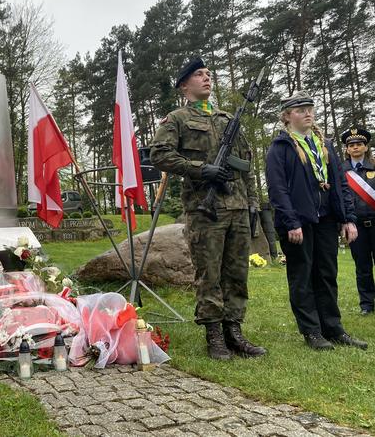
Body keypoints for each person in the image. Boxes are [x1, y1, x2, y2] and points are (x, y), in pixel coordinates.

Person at [150, 57, 266, 360]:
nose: (206, 78)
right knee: (209, 274)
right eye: (199, 74)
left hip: (238, 207)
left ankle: (234, 332)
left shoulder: (229, 119)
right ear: (184, 84)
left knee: (237, 273)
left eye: (208, 74)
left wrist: (252, 203)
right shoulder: (176, 118)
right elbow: (159, 155)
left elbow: (245, 165)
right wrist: (201, 170)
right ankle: (214, 334)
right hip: (206, 210)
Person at [265, 92, 367, 350]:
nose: (308, 113)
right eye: (300, 110)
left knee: (327, 273)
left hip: (326, 219)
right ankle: (311, 331)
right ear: (287, 116)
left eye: (310, 108)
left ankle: (333, 328)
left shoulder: (325, 144)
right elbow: (278, 190)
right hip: (298, 222)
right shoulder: (280, 148)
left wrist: (347, 218)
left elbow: (340, 183)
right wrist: (291, 222)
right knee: (302, 275)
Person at [341, 128, 375, 315]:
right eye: (351, 145)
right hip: (356, 226)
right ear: (347, 149)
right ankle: (367, 305)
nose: (355, 147)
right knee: (362, 267)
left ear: (366, 146)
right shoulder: (341, 171)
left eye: (359, 144)